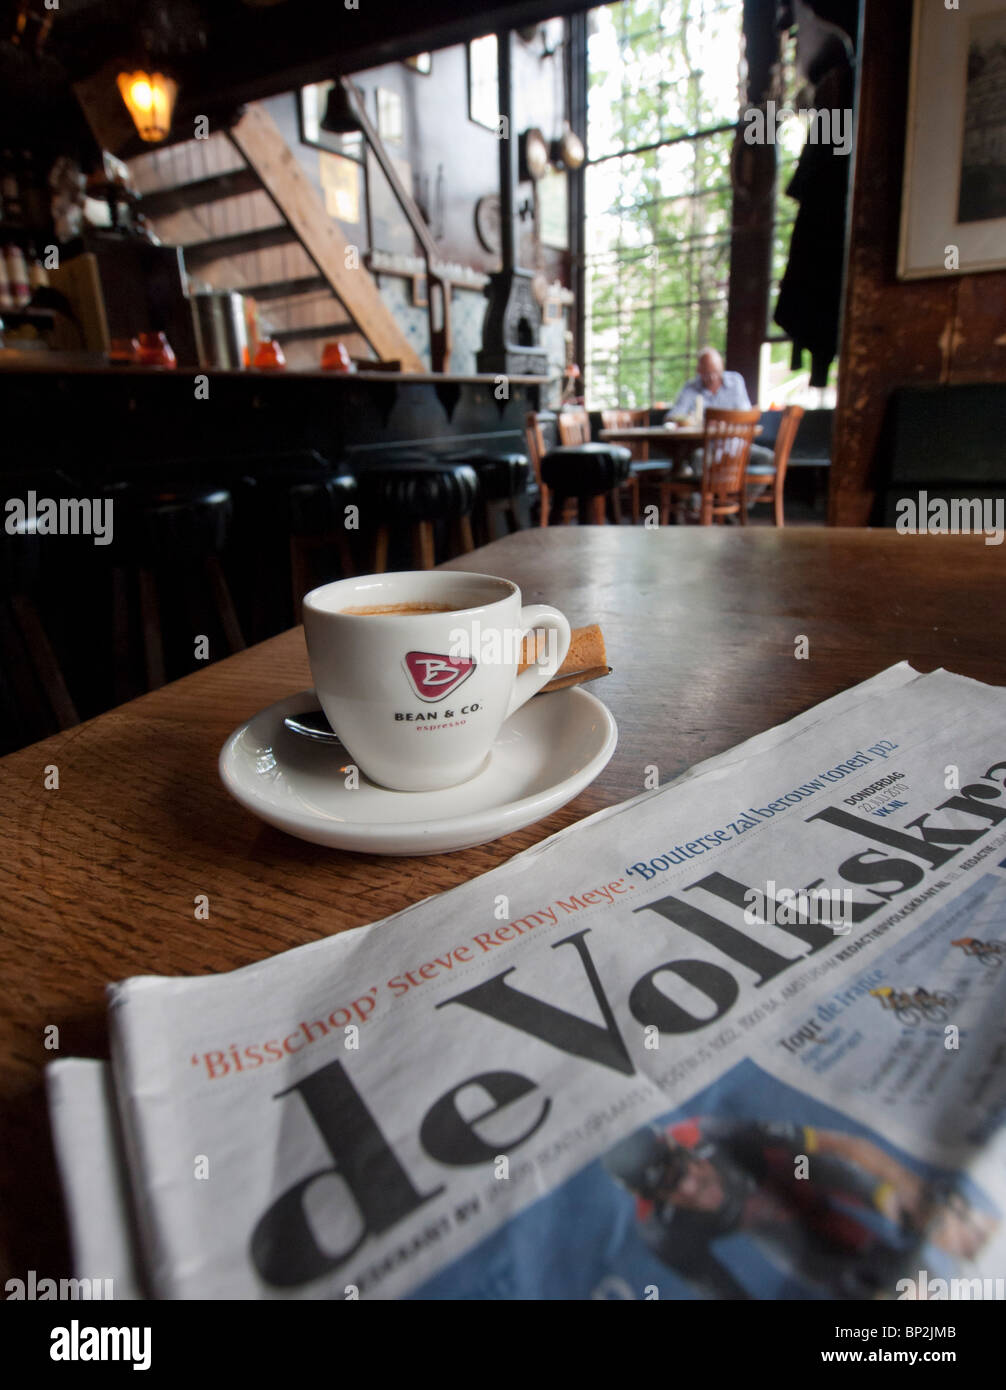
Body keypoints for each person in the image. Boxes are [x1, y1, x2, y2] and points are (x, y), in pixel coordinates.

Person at [603, 1118, 997, 1299]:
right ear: (651, 1200)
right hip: (769, 1226)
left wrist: (912, 1194)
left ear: (681, 1147)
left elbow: (843, 1148)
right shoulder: (662, 1232)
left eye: (681, 1168)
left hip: (792, 1175)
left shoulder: (714, 1135)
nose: (692, 1186)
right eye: (671, 1188)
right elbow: (721, 1291)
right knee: (836, 1275)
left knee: (887, 1201)